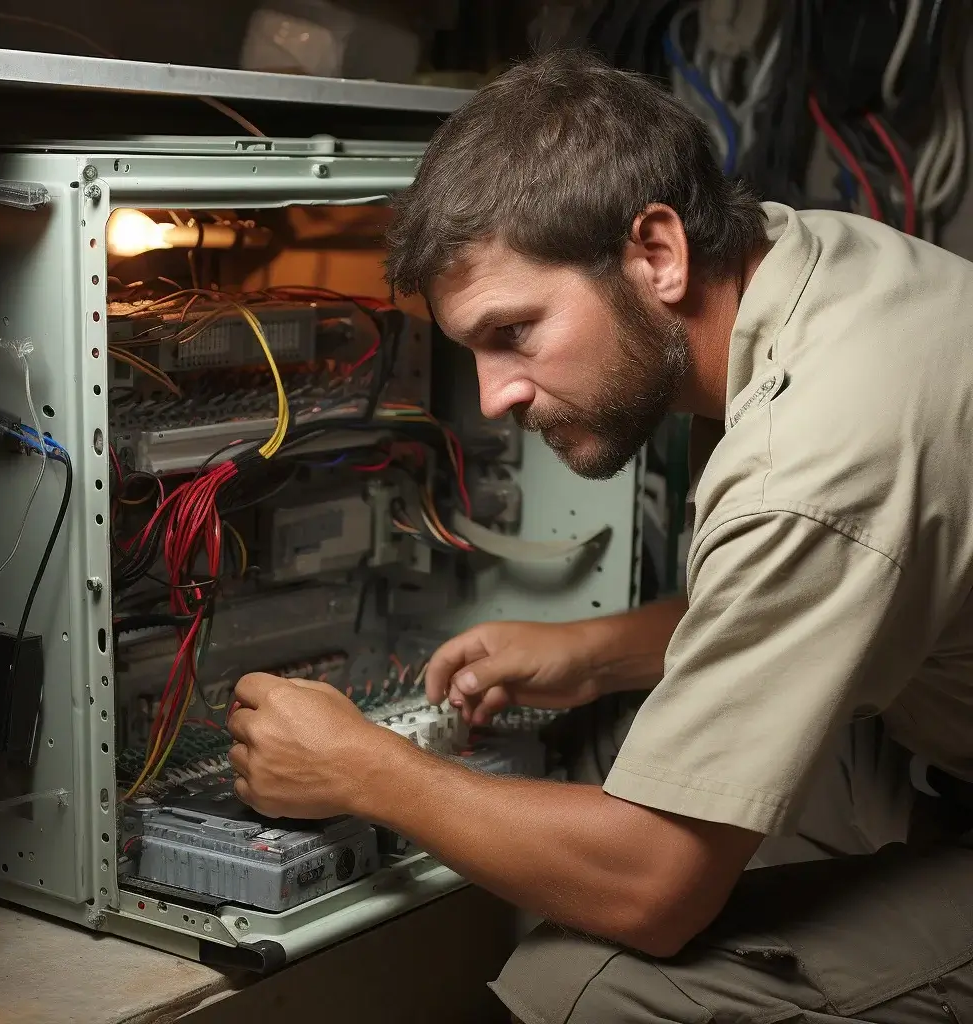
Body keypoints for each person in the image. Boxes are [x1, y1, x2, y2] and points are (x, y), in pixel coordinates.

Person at [226, 50, 973, 1023]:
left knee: (580, 986)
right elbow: (822, 588)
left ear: (656, 253)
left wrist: (367, 767)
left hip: (946, 786)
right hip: (929, 733)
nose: (496, 397)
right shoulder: (796, 263)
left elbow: (657, 891)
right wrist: (591, 653)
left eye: (515, 332)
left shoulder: (817, 451)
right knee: (602, 738)